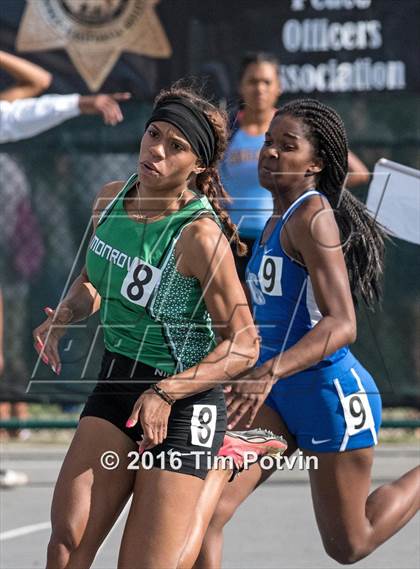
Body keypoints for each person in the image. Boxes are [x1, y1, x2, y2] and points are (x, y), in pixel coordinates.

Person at [32, 85, 286, 569]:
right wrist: (64, 315)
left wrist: (168, 392)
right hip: (118, 381)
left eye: (176, 146)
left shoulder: (199, 237)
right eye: (154, 135)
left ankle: (213, 474)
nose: (157, 150)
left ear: (198, 167)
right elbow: (96, 282)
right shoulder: (110, 198)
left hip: (185, 402)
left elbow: (246, 344)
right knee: (66, 544)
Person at [176, 99, 419, 568]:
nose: (270, 153)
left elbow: (342, 323)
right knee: (206, 513)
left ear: (315, 163)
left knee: (349, 545)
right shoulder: (273, 221)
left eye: (287, 146)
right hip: (274, 398)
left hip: (330, 395)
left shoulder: (313, 217)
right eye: (268, 141)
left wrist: (269, 370)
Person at [222, 52, 370, 284]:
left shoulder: (296, 128)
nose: (259, 88)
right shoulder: (226, 130)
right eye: (252, 81)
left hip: (281, 238)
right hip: (232, 240)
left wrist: (308, 187)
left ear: (278, 87)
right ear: (241, 86)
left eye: (266, 82)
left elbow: (358, 172)